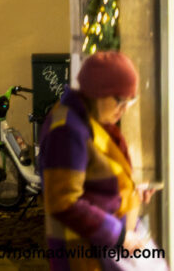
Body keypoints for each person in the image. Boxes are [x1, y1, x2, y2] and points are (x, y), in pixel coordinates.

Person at [39, 51, 158, 267]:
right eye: (120, 101)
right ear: (96, 93)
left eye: (130, 102)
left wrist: (131, 192)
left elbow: (92, 182)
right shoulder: (67, 129)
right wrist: (119, 236)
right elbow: (63, 201)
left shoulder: (88, 120)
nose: (124, 110)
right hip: (85, 256)